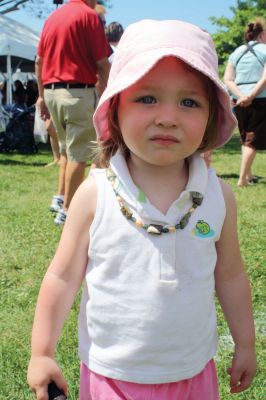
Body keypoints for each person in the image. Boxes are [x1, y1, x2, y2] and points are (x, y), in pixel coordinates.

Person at [27, 20, 256, 400]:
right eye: (147, 98)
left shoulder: (217, 196)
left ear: (211, 116)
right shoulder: (94, 194)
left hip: (194, 373)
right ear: (114, 107)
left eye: (189, 102)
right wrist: (41, 352)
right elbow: (62, 278)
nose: (167, 116)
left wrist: (245, 343)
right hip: (113, 377)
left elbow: (230, 277)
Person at [35, 0, 111, 225]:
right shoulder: (88, 16)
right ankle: (68, 211)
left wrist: (41, 95)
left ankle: (59, 198)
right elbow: (103, 63)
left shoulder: (53, 17)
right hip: (77, 94)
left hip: (51, 92)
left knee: (67, 152)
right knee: (80, 156)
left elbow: (39, 61)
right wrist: (111, 93)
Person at [224, 18, 266, 187]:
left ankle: (248, 175)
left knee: (245, 138)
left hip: (238, 101)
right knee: (252, 141)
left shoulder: (236, 52)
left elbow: (228, 79)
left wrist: (241, 96)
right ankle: (242, 180)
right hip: (260, 100)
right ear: (262, 34)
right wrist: (252, 96)